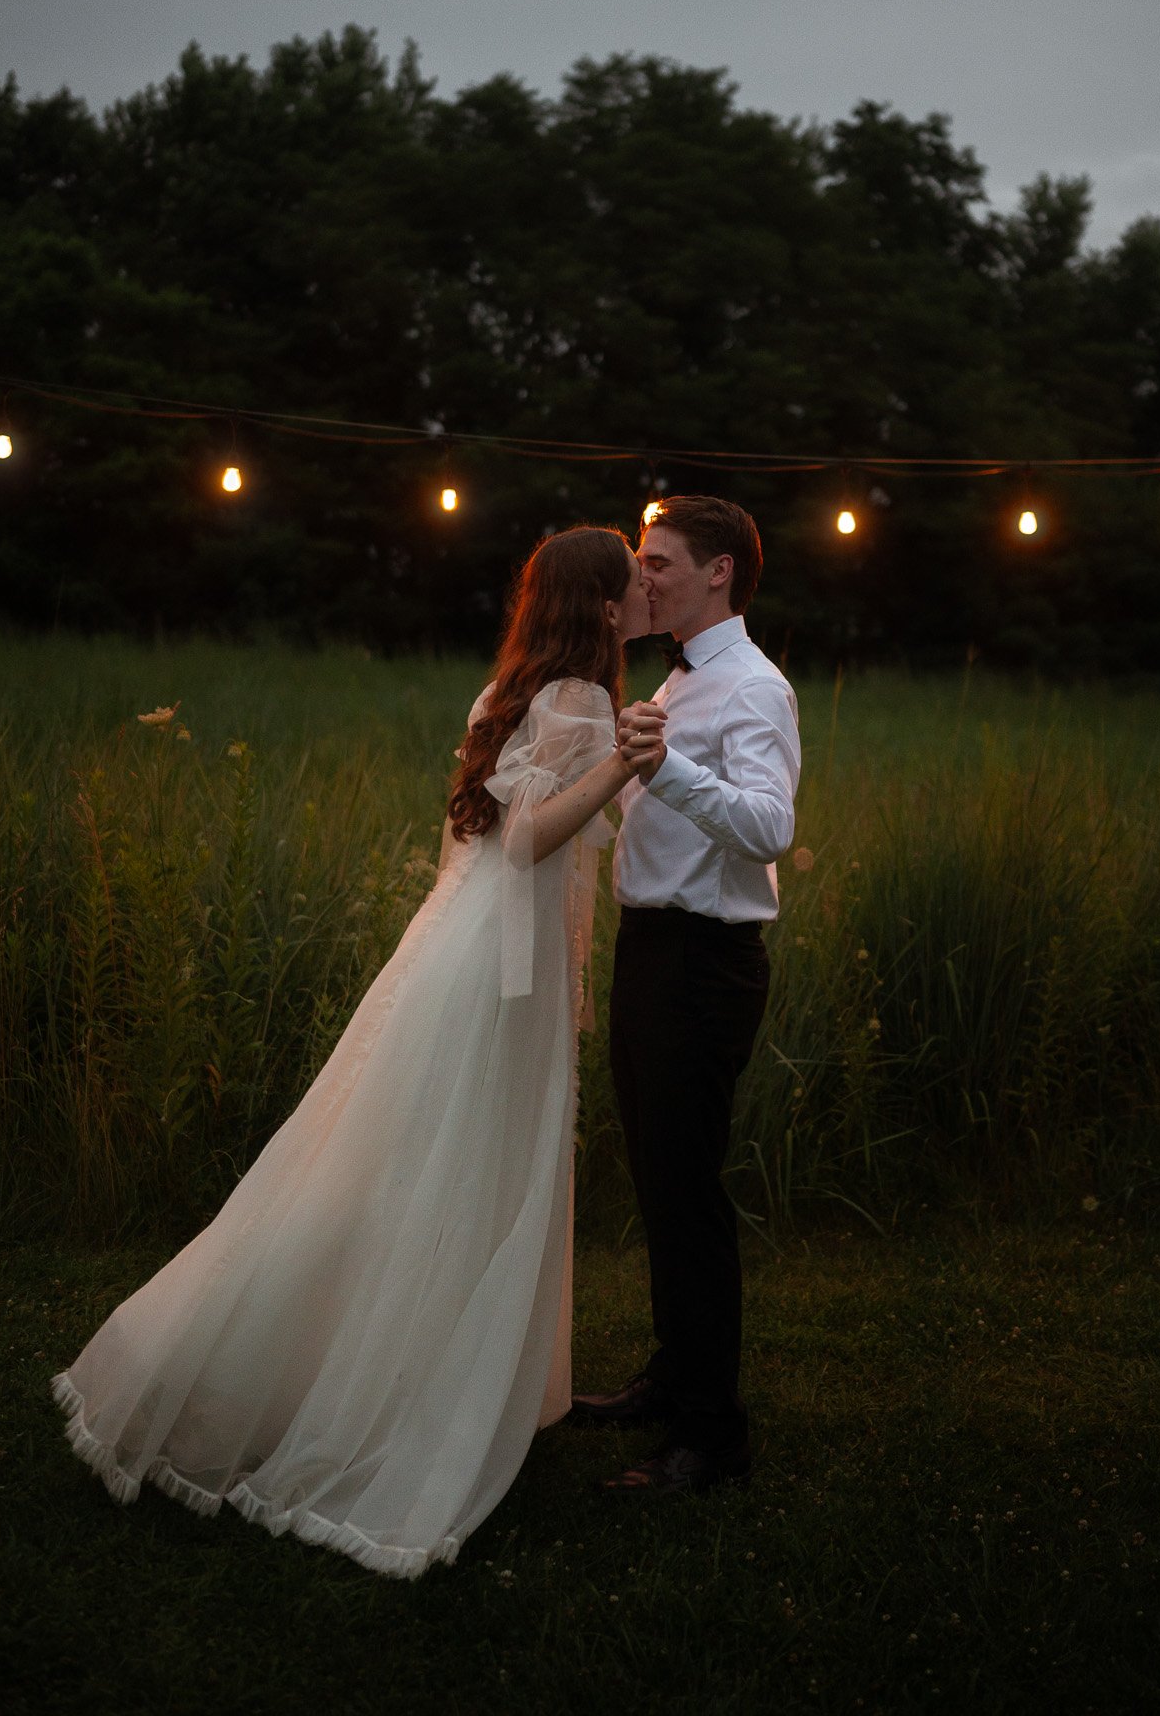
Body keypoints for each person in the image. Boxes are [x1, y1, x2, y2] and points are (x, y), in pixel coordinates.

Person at [51, 526, 652, 1579]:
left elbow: (463, 853)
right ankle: (414, 1398)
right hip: (496, 971)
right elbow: (523, 842)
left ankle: (387, 1363)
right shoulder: (586, 705)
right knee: (470, 1169)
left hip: (457, 950)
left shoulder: (507, 686)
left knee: (401, 1162)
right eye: (629, 584)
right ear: (601, 606)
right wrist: (619, 765)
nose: (643, 594)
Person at [570, 496, 801, 1494]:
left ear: (718, 573)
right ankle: (672, 1379)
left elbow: (767, 826)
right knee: (660, 1181)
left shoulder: (753, 688)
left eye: (659, 561)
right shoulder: (673, 679)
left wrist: (663, 770)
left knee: (688, 1191)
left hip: (705, 962)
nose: (643, 575)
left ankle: (712, 1437)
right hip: (649, 949)